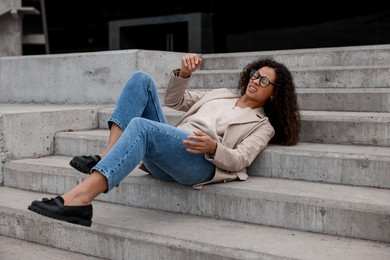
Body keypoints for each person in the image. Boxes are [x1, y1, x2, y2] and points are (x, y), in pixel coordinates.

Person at [28, 53, 301, 227]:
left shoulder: (263, 125)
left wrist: (214, 146)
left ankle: (79, 200)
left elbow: (241, 159)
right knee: (140, 79)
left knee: (141, 127)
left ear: (274, 94)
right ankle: (108, 156)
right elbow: (175, 101)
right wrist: (184, 75)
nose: (256, 81)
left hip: (198, 162)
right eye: (256, 75)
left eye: (265, 82)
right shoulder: (220, 94)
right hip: (173, 148)